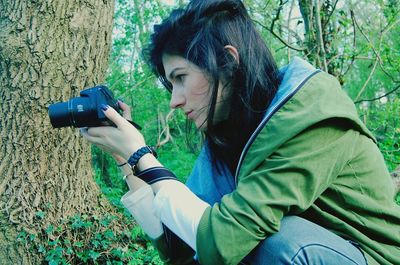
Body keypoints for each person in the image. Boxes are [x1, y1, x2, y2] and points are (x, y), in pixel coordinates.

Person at [80, 0, 400, 264]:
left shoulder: (311, 117)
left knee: (279, 245)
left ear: (228, 63)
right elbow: (181, 248)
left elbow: (220, 242)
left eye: (181, 77)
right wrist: (127, 160)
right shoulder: (228, 135)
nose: (175, 101)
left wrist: (143, 154)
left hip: (370, 257)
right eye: (169, 84)